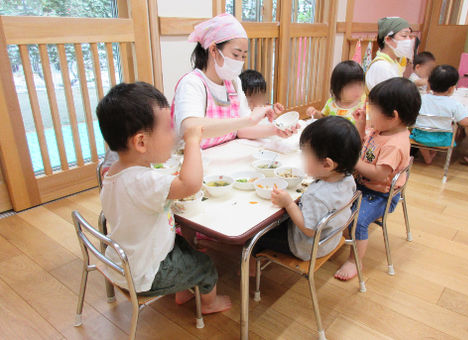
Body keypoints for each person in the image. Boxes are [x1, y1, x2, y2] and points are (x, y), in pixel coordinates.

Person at [97, 82, 231, 314]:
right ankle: (209, 303)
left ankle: (182, 289)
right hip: (145, 273)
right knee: (205, 266)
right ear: (141, 142)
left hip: (126, 258)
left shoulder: (114, 174)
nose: (174, 135)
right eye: (168, 129)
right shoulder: (144, 181)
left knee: (185, 245)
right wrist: (192, 142)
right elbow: (190, 184)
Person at [335, 77, 421, 281]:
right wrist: (361, 124)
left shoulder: (394, 144)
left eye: (373, 111)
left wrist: (353, 161)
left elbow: (379, 174)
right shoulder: (381, 129)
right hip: (363, 184)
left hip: (379, 194)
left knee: (359, 220)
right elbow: (360, 144)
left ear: (394, 116)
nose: (370, 114)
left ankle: (354, 260)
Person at [172, 13, 298, 150]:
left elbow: (242, 130)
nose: (239, 62)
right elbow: (191, 128)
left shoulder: (233, 83)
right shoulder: (192, 83)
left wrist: (274, 130)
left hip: (224, 155)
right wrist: (248, 120)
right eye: (235, 55)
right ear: (213, 50)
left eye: (243, 56)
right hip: (195, 159)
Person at [252, 116, 361, 261]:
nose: (302, 158)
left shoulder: (317, 196)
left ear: (327, 165)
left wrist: (289, 203)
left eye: (305, 154)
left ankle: (251, 267)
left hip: (307, 246)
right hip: (331, 237)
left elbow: (308, 230)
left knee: (255, 235)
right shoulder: (347, 178)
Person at [410, 65, 468, 164]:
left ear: (429, 84)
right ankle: (432, 154)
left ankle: (427, 158)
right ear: (452, 88)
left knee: (424, 132)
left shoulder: (420, 98)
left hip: (419, 136)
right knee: (443, 129)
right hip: (443, 140)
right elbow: (464, 122)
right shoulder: (454, 104)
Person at [365, 17, 414, 91]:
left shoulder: (393, 62)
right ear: (388, 39)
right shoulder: (382, 67)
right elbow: (390, 98)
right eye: (404, 36)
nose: (409, 40)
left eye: (409, 36)